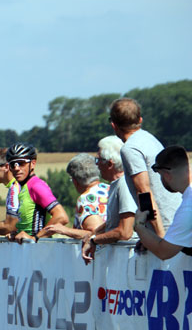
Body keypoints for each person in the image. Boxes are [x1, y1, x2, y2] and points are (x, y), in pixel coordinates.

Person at [0, 142, 69, 330]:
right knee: (23, 315)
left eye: (21, 163)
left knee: (37, 316)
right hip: (25, 260)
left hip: (40, 259)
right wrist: (16, 233)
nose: (16, 167)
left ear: (33, 164)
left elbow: (61, 217)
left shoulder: (37, 186)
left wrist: (35, 237)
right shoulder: (18, 188)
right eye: (12, 163)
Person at [111, 98, 181, 237]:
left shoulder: (130, 148)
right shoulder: (150, 138)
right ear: (140, 120)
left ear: (114, 125)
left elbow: (144, 192)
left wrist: (159, 235)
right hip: (177, 217)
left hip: (166, 225)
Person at [80, 136, 136, 265]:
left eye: (98, 160)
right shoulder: (116, 184)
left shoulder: (124, 185)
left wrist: (94, 240)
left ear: (110, 164)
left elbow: (125, 232)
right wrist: (94, 233)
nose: (96, 164)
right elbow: (116, 219)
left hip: (127, 260)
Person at [134, 145, 192, 260]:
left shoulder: (188, 207)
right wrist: (149, 239)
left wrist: (139, 225)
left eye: (160, 176)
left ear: (166, 175)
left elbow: (164, 252)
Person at [43, 153, 108, 239]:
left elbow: (95, 233)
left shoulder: (86, 199)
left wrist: (64, 230)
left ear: (75, 180)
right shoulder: (109, 189)